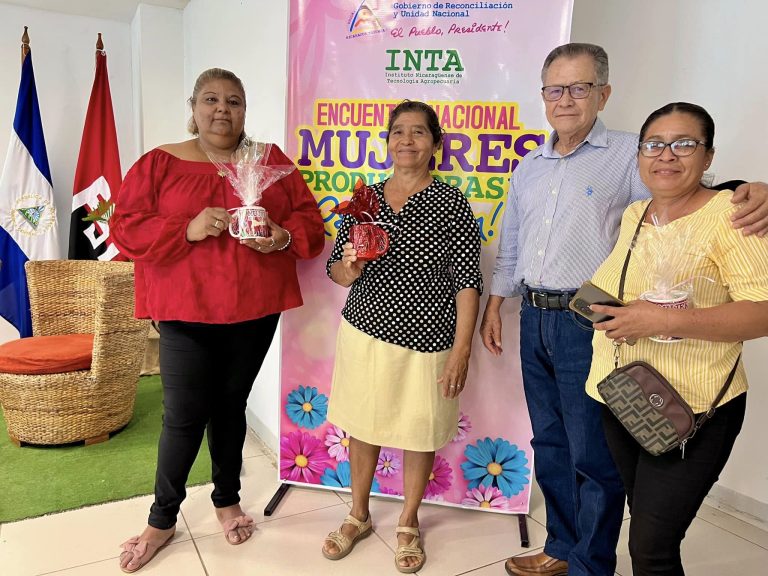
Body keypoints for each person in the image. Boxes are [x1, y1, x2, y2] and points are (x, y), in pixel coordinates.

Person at [479, 43, 768, 576]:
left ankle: (591, 562)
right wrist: (497, 303)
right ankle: (562, 547)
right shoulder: (530, 166)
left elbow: (685, 199)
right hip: (538, 318)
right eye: (555, 89)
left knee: (595, 457)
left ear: (603, 93)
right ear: (543, 97)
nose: (566, 99)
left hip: (594, 323)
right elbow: (513, 242)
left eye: (580, 87)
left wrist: (748, 191)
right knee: (550, 441)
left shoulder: (627, 155)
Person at [111, 68, 325, 573]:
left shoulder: (270, 162)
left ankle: (226, 499)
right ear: (194, 106)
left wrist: (278, 236)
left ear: (245, 109)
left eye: (233, 100)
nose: (221, 109)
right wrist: (184, 227)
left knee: (232, 406)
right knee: (183, 415)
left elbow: (310, 224)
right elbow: (124, 226)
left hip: (254, 309)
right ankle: (162, 520)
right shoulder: (159, 163)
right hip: (185, 310)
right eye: (210, 99)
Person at [586, 102, 768, 576]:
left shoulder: (735, 216)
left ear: (708, 157)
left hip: (695, 406)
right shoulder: (636, 213)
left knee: (651, 547)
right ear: (640, 154)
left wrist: (660, 320)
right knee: (646, 524)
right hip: (624, 393)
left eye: (684, 144)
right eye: (654, 144)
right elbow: (622, 287)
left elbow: (763, 314)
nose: (666, 155)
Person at [320, 100, 483, 573]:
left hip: (430, 338)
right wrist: (350, 267)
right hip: (365, 331)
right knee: (363, 422)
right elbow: (336, 271)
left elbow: (467, 280)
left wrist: (462, 350)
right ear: (387, 141)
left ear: (436, 143)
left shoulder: (451, 202)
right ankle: (358, 514)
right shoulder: (363, 199)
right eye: (398, 132)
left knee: (419, 428)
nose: (406, 140)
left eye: (418, 132)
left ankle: (408, 521)